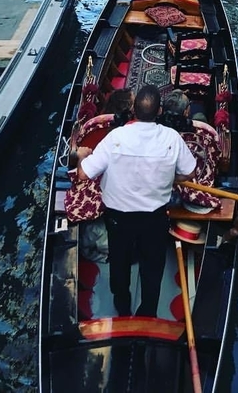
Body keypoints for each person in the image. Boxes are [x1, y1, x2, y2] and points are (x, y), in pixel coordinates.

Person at [76, 85, 196, 318]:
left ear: (133, 109)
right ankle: (148, 312)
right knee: (152, 268)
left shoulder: (115, 137)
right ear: (159, 111)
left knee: (119, 263)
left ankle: (122, 306)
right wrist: (170, 179)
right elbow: (190, 173)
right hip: (154, 219)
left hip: (119, 219)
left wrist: (81, 156)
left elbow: (83, 175)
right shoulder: (171, 138)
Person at [160, 89, 222, 212]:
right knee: (200, 116)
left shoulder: (156, 132)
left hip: (164, 187)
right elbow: (217, 154)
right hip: (186, 186)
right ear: (186, 111)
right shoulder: (204, 132)